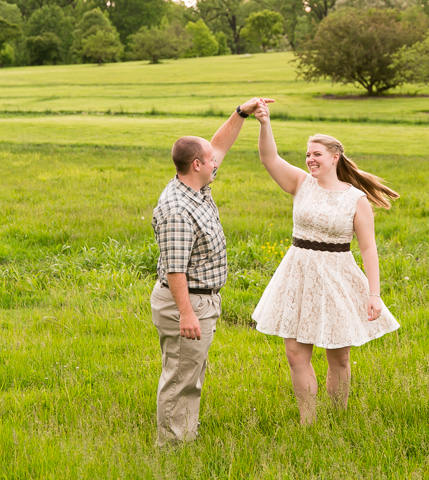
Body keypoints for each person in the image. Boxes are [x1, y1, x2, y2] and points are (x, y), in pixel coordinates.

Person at [250, 99, 400, 425]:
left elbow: (369, 249)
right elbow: (268, 158)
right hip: (298, 272)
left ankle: (338, 416)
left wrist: (374, 294)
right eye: (307, 154)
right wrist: (264, 122)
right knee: (295, 354)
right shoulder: (301, 183)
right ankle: (309, 421)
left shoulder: (355, 199)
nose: (309, 159)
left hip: (337, 276)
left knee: (340, 357)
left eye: (316, 154)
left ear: (334, 158)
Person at [150, 97, 269, 446]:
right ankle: (173, 448)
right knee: (180, 378)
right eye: (211, 159)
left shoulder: (196, 187)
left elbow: (217, 145)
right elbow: (175, 271)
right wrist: (187, 314)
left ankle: (183, 433)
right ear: (197, 164)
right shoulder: (176, 208)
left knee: (190, 373)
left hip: (202, 302)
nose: (217, 160)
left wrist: (241, 113)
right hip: (186, 304)